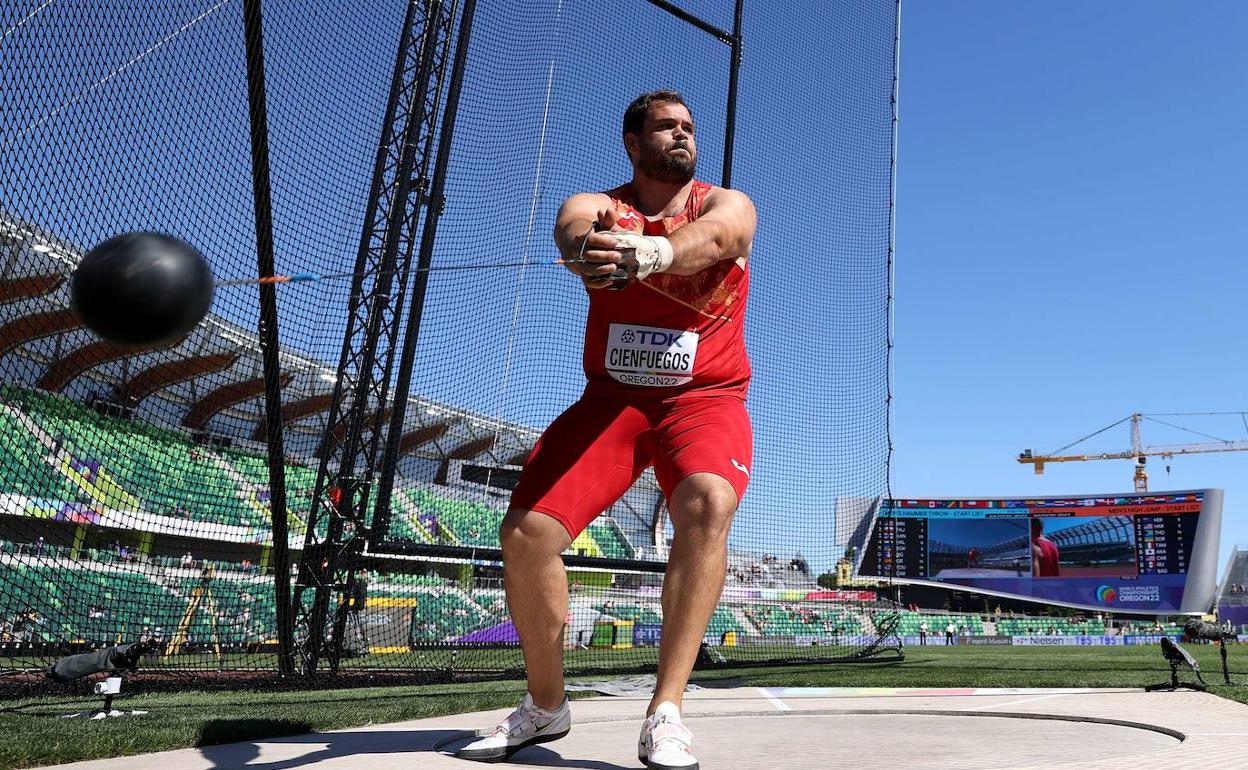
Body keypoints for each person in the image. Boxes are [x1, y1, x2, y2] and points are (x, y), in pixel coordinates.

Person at [456, 90, 756, 770]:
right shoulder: (600, 204)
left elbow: (723, 236)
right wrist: (589, 247)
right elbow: (571, 227)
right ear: (632, 141)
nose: (682, 135)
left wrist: (650, 254)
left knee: (707, 501)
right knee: (526, 534)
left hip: (703, 397)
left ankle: (666, 713)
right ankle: (545, 706)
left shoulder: (722, 202)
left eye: (689, 127)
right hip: (614, 400)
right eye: (665, 126)